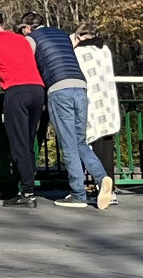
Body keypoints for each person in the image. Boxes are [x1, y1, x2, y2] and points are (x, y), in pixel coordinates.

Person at [29, 17, 112, 211]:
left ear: (27, 28)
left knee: (68, 145)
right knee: (80, 141)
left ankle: (77, 194)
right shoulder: (63, 35)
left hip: (59, 88)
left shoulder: (33, 37)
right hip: (80, 86)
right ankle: (102, 177)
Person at [0, 13, 47, 205]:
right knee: (28, 139)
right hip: (37, 89)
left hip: (17, 91)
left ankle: (27, 193)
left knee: (18, 144)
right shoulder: (21, 39)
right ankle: (23, 186)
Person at [79, 30, 125, 193]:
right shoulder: (104, 49)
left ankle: (93, 184)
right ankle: (109, 187)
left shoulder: (80, 52)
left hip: (91, 104)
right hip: (108, 102)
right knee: (106, 146)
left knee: (84, 144)